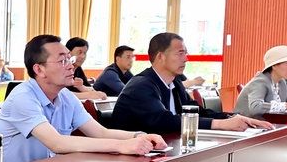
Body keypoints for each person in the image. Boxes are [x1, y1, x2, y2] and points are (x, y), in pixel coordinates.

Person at [0, 35, 166, 162]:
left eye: (70, 59)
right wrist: (122, 146)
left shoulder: (66, 96)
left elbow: (101, 132)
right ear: (39, 69)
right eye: (62, 60)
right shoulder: (22, 97)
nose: (71, 66)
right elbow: (57, 143)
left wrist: (139, 136)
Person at [113, 32, 272, 133]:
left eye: (186, 53)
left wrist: (235, 117)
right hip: (132, 159)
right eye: (180, 53)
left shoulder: (175, 84)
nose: (186, 59)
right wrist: (220, 124)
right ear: (160, 56)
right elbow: (163, 121)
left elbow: (196, 112)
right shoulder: (141, 85)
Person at [234, 46, 287, 119]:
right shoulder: (260, 82)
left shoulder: (281, 82)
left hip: (267, 124)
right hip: (245, 125)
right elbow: (256, 107)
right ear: (274, 66)